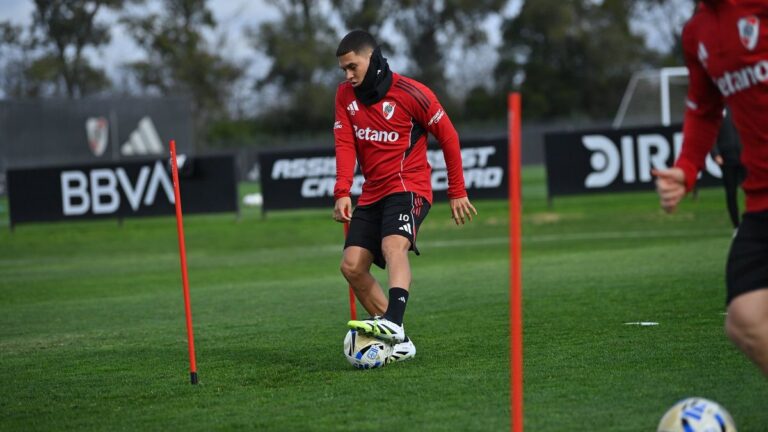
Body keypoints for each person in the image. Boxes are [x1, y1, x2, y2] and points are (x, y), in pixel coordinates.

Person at [332, 30, 477, 363]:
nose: (348, 75)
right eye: (343, 70)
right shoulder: (344, 96)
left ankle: (393, 323)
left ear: (372, 58)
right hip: (371, 192)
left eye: (352, 67)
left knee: (392, 245)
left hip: (409, 186)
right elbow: (344, 144)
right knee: (352, 267)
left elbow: (449, 137)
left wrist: (456, 190)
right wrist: (342, 191)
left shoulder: (412, 93)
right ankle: (401, 341)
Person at [653, 0, 768, 377]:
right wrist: (687, 169)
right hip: (761, 198)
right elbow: (703, 107)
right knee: (745, 319)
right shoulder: (696, 32)